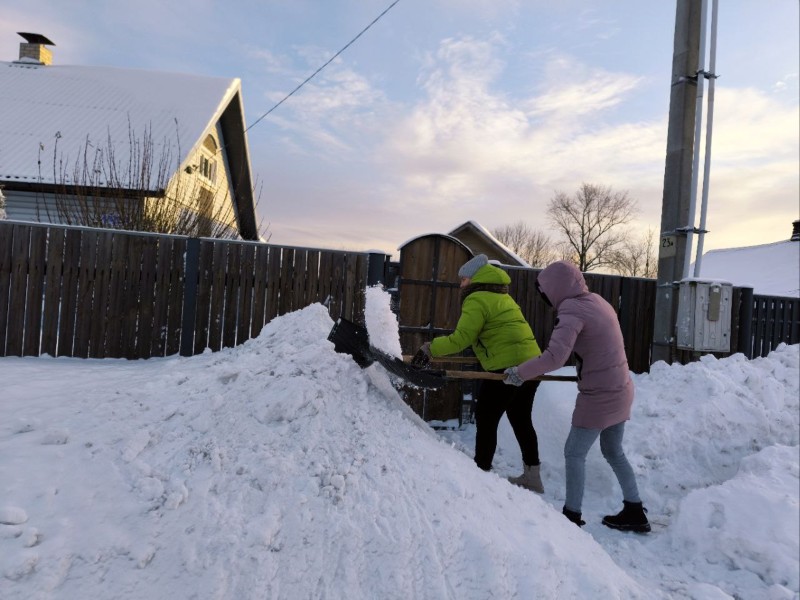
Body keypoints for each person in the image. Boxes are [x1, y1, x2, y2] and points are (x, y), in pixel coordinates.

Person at [503, 260, 650, 533]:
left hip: (599, 396)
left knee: (574, 452)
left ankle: (571, 516)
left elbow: (555, 357)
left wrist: (519, 373)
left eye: (545, 292)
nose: (545, 298)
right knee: (613, 451)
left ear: (555, 288)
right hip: (621, 388)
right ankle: (634, 510)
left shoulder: (572, 309)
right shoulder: (598, 301)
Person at [413, 254, 545, 493]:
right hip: (531, 364)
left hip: (507, 367)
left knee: (486, 417)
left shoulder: (476, 298)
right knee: (521, 419)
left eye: (463, 280)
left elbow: (462, 338)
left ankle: (481, 472)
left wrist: (429, 349)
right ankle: (533, 477)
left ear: (475, 279)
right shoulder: (502, 296)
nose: (460, 285)